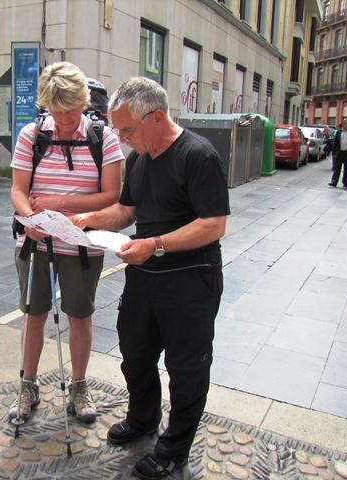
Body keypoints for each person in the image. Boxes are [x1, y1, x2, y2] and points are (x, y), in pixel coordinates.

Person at [71, 77, 229, 479]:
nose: (121, 139)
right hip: (144, 276)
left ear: (157, 117)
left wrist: (155, 243)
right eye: (118, 130)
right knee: (136, 354)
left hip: (191, 279)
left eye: (127, 130)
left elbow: (213, 225)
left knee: (186, 367)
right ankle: (143, 418)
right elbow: (126, 211)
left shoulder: (198, 155)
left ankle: (174, 446)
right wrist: (88, 219)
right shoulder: (140, 158)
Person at [9, 61, 124, 424]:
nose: (62, 120)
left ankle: (78, 385)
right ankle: (27, 385)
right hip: (36, 242)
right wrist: (29, 219)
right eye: (55, 112)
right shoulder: (31, 134)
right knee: (34, 315)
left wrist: (58, 203)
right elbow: (17, 190)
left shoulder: (102, 137)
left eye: (70, 112)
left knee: (79, 315)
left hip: (82, 245)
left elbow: (111, 196)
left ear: (84, 103)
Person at [329, 117, 347, 188]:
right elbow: (335, 143)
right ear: (342, 124)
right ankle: (334, 182)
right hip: (339, 153)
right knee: (337, 168)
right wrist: (334, 153)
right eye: (345, 123)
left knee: (346, 169)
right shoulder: (338, 132)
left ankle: (345, 183)